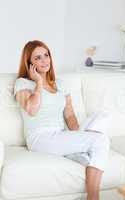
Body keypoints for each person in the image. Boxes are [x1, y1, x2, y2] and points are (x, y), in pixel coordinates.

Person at [14, 40, 110, 200]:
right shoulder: (23, 83)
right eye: (37, 58)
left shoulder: (60, 84)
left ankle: (78, 151)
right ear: (29, 63)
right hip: (40, 138)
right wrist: (38, 82)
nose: (44, 60)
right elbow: (32, 110)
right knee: (101, 140)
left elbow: (70, 116)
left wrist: (78, 136)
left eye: (46, 55)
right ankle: (93, 197)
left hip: (60, 134)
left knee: (102, 117)